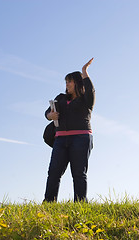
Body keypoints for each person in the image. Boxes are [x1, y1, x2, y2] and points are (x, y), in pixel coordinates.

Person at [43, 58, 95, 202]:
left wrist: (84, 73)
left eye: (69, 81)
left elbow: (90, 90)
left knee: (79, 173)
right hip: (60, 140)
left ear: (77, 83)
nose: (66, 84)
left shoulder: (86, 100)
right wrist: (50, 115)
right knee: (53, 172)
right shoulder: (60, 98)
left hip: (81, 138)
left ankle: (80, 204)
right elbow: (47, 113)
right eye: (66, 82)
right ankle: (48, 204)